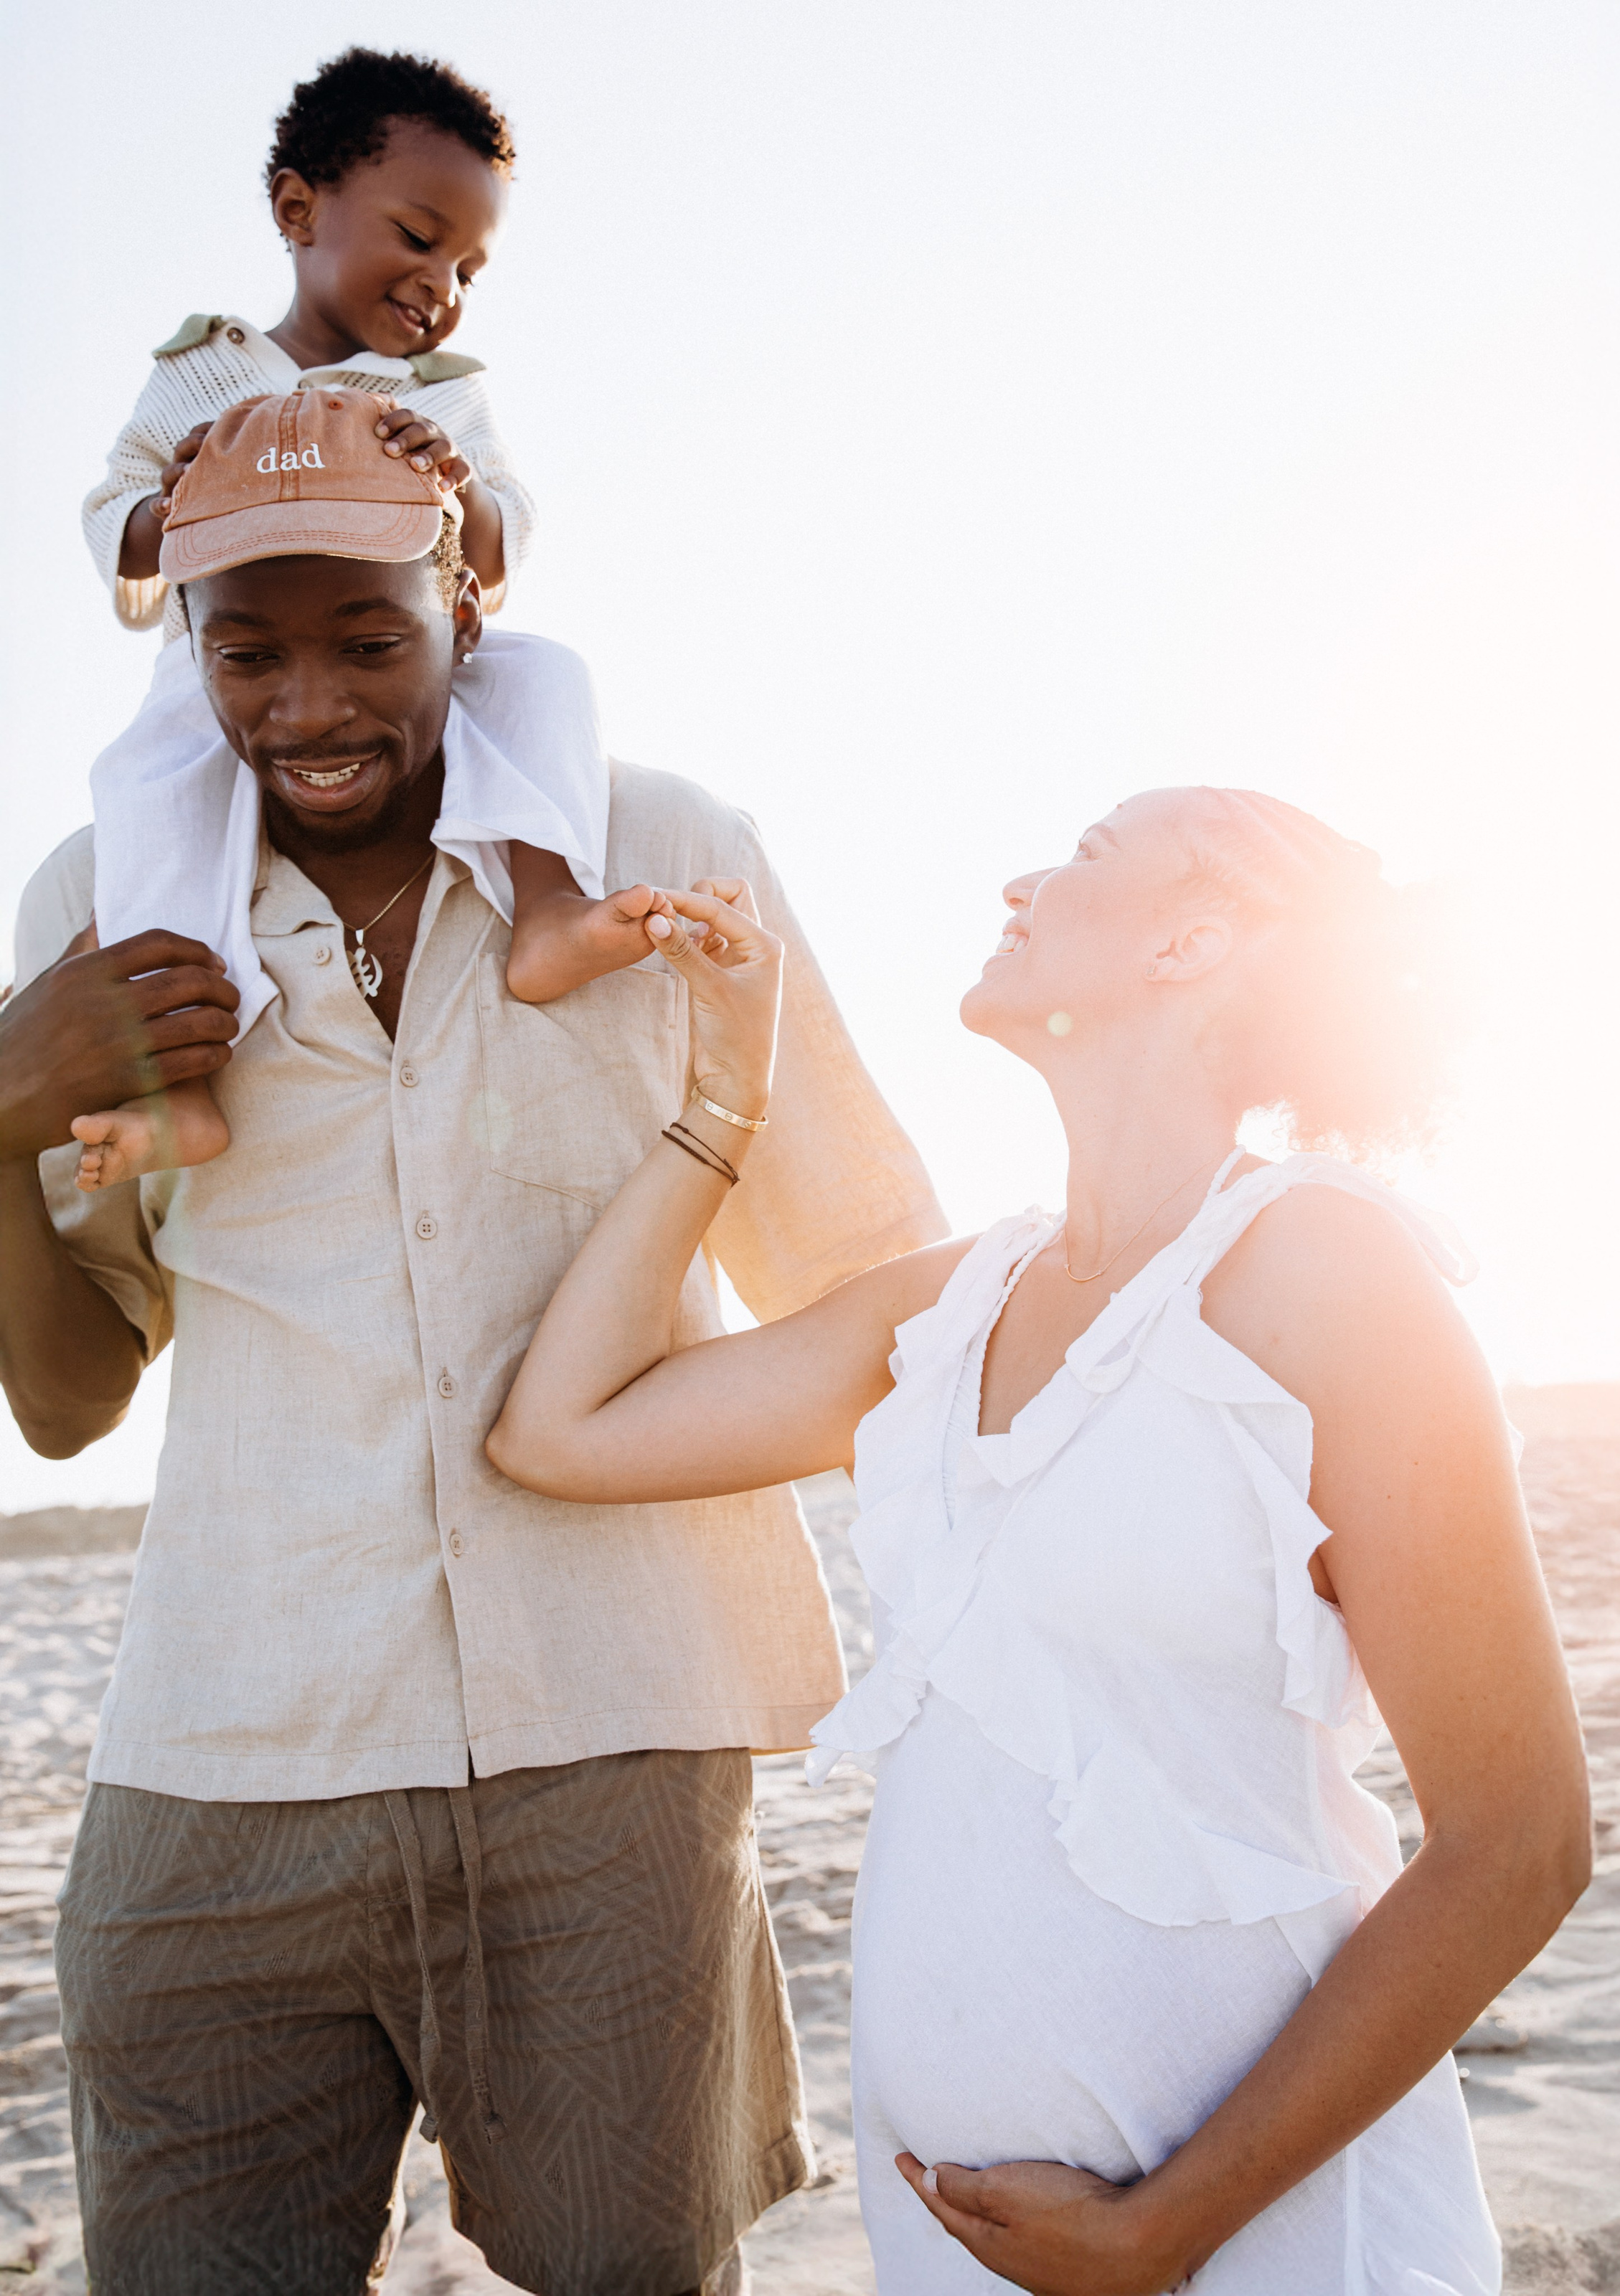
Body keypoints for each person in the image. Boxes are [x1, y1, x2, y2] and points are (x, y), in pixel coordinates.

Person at [1, 393, 943, 2295]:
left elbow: (875, 1286)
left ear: (468, 602)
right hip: (223, 1769)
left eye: (372, 638)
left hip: (618, 1755)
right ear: (187, 649)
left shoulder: (658, 855)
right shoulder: (104, 910)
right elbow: (72, 1396)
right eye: (246, 651)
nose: (309, 705)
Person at [487, 790, 1593, 2295]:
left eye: (1084, 857)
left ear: (1195, 933)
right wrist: (722, 1100)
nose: (1021, 876)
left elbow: (1517, 1841)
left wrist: (1165, 2224)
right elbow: (559, 1430)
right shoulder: (957, 1301)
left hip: (1257, 2243)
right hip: (953, 2245)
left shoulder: (1321, 1267)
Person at [74, 46, 661, 1192]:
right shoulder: (197, 374)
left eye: (468, 267)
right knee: (146, 791)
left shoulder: (439, 390)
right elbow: (112, 518)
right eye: (417, 235)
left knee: (547, 675)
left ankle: (545, 906)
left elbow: (501, 546)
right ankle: (182, 1084)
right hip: (223, 672)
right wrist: (171, 501)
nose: (442, 282)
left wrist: (461, 483)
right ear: (300, 209)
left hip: (416, 659)